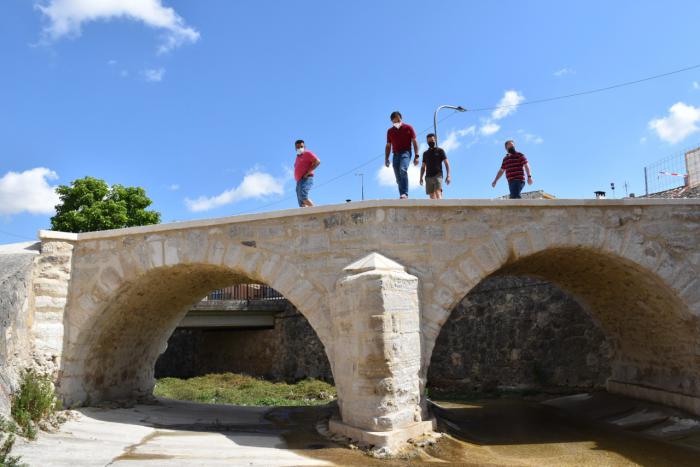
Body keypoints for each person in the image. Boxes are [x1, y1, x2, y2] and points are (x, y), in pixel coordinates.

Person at [385, 111, 420, 199]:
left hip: (406, 152)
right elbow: (388, 145)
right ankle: (402, 194)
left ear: (401, 119)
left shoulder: (408, 128)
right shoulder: (390, 131)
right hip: (395, 155)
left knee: (403, 170)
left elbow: (414, 141)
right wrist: (386, 158)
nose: (397, 123)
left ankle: (405, 193)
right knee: (398, 177)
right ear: (392, 121)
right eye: (395, 121)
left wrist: (416, 156)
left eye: (398, 120)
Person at [419, 133, 451, 199]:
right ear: (427, 141)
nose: (431, 142)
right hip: (428, 177)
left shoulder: (440, 151)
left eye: (432, 140)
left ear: (435, 140)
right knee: (432, 197)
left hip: (438, 175)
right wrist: (421, 177)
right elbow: (423, 167)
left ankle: (441, 208)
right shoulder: (425, 153)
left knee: (438, 193)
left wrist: (448, 175)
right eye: (429, 141)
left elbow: (446, 163)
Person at [294, 139, 320, 207]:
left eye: (301, 147)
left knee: (303, 197)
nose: (300, 148)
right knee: (301, 202)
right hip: (299, 181)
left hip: (306, 178)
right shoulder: (297, 158)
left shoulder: (307, 153)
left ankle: (315, 211)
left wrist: (307, 173)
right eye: (298, 147)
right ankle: (306, 216)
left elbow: (317, 161)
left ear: (304, 147)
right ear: (295, 148)